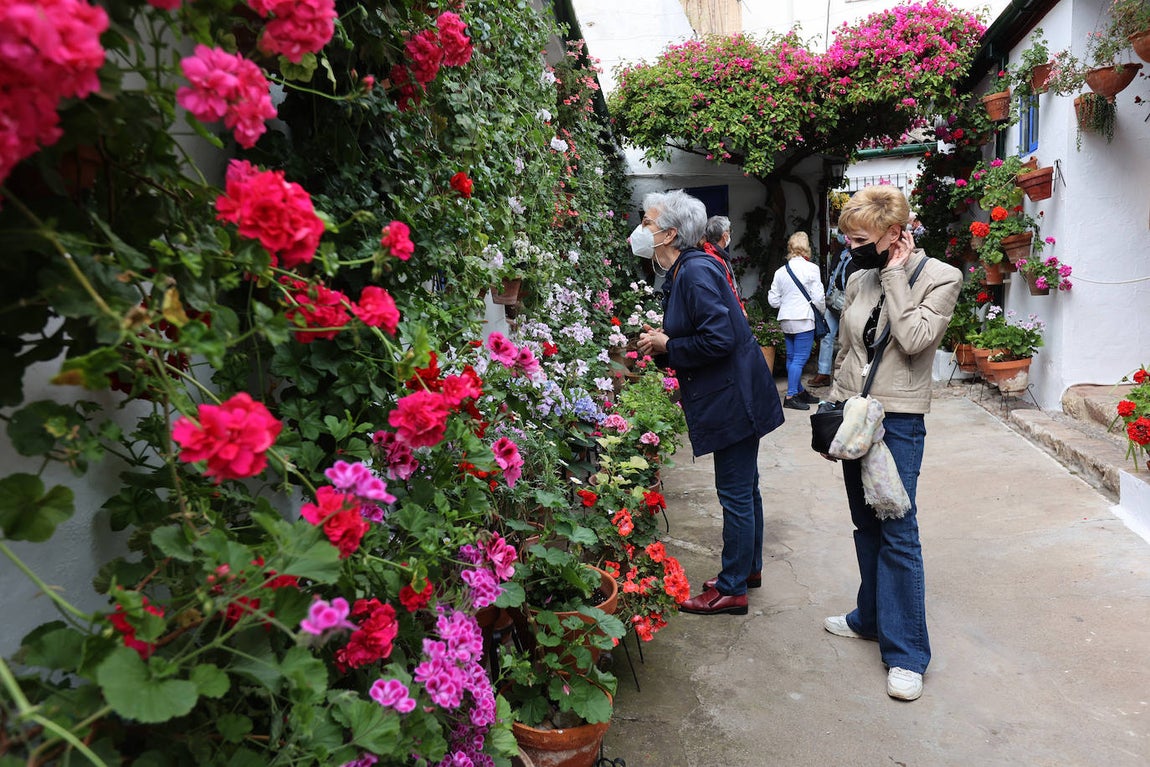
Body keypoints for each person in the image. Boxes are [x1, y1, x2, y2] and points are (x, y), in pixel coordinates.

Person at [821, 184, 961, 702]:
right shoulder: (859, 277)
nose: (850, 248)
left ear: (894, 233)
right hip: (854, 415)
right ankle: (870, 618)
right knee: (865, 523)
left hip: (898, 420)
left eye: (861, 239)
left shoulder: (942, 277)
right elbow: (846, 347)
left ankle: (906, 654)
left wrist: (897, 275)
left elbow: (914, 339)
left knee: (898, 530)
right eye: (848, 238)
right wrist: (833, 404)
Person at [632, 190, 784, 616]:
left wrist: (668, 345)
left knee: (735, 493)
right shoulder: (690, 267)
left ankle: (732, 588)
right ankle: (746, 569)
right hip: (736, 392)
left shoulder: (694, 271)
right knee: (745, 489)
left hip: (734, 398)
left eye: (647, 223)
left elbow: (719, 339)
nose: (641, 230)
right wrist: (666, 340)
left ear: (670, 234)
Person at [767, 231, 825, 410]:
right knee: (799, 359)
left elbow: (773, 300)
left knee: (792, 358)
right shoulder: (812, 269)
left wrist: (787, 303)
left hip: (786, 319)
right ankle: (791, 395)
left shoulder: (780, 271)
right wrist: (821, 312)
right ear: (806, 247)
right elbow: (818, 298)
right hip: (803, 318)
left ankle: (799, 391)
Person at [809, 234, 857, 389]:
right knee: (826, 336)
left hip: (849, 302)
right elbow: (832, 275)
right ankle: (823, 373)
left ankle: (846, 375)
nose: (844, 238)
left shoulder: (860, 256)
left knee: (848, 339)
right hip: (834, 302)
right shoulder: (840, 254)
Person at [700, 215, 745, 314]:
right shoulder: (716, 258)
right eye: (729, 231)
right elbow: (729, 288)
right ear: (725, 236)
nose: (730, 234)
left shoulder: (712, 254)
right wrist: (739, 309)